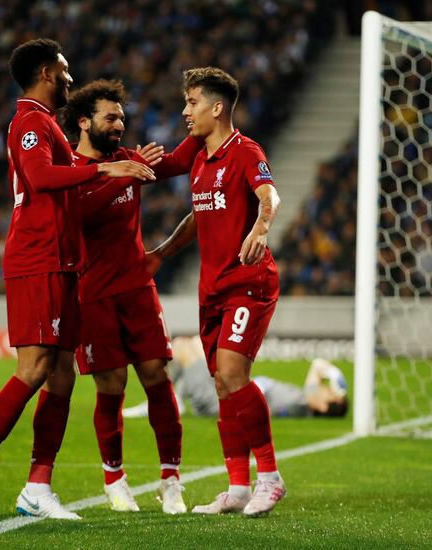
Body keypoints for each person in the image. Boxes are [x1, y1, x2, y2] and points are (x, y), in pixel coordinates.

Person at [0, 38, 155, 522]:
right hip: (36, 257)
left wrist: (115, 173)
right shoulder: (28, 123)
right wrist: (107, 167)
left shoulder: (48, 126)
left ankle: (37, 486)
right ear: (46, 72)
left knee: (62, 375)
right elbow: (41, 179)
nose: (70, 78)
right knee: (35, 367)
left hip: (63, 261)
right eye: (65, 71)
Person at [147, 67, 284, 516]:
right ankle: (239, 487)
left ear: (217, 107)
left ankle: (270, 477)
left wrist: (261, 226)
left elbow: (269, 195)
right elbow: (196, 213)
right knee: (222, 386)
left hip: (249, 282)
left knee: (231, 372)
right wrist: (162, 252)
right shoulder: (197, 154)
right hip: (213, 290)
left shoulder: (245, 151)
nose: (185, 112)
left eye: (192, 103)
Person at [61, 79, 203, 514]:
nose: (120, 123)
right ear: (85, 122)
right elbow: (77, 213)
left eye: (122, 116)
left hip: (137, 288)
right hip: (93, 294)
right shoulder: (66, 168)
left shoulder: (130, 160)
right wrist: (115, 173)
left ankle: (171, 479)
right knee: (112, 385)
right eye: (111, 116)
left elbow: (177, 163)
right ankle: (114, 478)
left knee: (157, 377)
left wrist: (204, 129)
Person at [124, 337, 349, 419]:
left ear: (322, 406)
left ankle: (163, 403)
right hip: (224, 392)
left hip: (217, 400)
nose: (325, 389)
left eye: (329, 394)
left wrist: (334, 381)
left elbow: (254, 404)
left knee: (183, 347)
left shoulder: (296, 404)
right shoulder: (302, 398)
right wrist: (335, 376)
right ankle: (175, 400)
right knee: (193, 343)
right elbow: (317, 365)